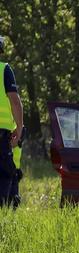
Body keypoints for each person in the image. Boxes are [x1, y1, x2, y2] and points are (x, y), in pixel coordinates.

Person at [0, 35, 23, 206]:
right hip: (1, 133)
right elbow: (15, 101)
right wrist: (19, 129)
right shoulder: (4, 70)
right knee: (5, 173)